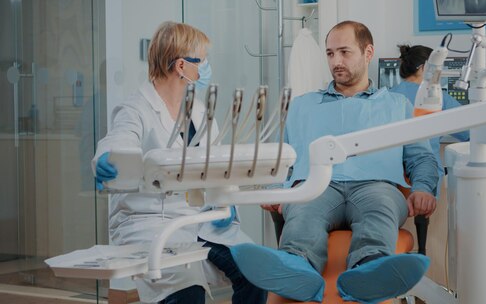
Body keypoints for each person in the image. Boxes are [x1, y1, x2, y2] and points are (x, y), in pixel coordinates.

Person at [230, 21, 439, 303]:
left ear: (368, 53)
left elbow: (421, 157)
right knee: (303, 211)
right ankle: (297, 269)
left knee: (379, 210)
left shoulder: (396, 106)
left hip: (376, 187)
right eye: (329, 54)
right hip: (316, 186)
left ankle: (369, 271)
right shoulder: (303, 106)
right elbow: (280, 158)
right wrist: (276, 187)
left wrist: (423, 188)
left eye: (344, 52)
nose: (336, 62)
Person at [92, 21, 266, 304]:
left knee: (256, 272)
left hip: (198, 219)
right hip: (149, 221)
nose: (206, 67)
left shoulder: (198, 110)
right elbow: (119, 141)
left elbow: (218, 165)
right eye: (203, 60)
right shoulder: (136, 109)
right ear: (182, 66)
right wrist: (107, 158)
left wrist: (227, 202)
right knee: (187, 293)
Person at [390, 44, 470, 192]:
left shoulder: (387, 96)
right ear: (423, 68)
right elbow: (470, 133)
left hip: (393, 182)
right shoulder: (437, 98)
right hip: (428, 179)